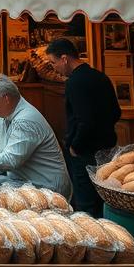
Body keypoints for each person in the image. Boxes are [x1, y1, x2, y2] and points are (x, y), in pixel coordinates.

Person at [46, 37, 121, 215]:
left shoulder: (75, 82)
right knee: (103, 195)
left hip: (84, 150)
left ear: (64, 58)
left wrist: (75, 145)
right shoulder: (100, 76)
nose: (54, 68)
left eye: (53, 62)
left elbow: (83, 119)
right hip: (107, 146)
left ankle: (91, 237)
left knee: (85, 200)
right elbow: (116, 112)